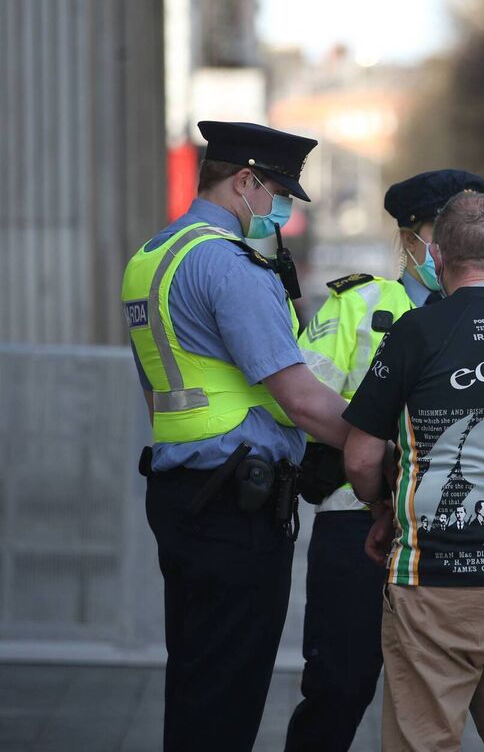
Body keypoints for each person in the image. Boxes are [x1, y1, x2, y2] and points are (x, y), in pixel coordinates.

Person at [285, 169, 484, 752]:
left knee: (430, 719)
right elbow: (303, 398)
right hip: (360, 520)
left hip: (439, 546)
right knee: (339, 686)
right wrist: (382, 462)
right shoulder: (362, 303)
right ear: (413, 240)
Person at [120, 121, 352, 752]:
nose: (280, 211)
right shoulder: (228, 265)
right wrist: (379, 444)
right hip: (237, 503)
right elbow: (302, 401)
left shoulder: (152, 257)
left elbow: (160, 388)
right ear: (245, 182)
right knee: (229, 692)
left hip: (180, 492)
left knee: (197, 681)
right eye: (277, 193)